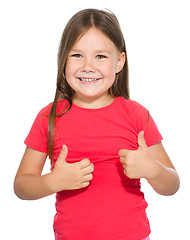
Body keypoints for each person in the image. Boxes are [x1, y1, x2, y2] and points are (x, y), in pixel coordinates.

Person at [14, 8, 180, 240]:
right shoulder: (49, 117)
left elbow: (172, 184)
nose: (88, 66)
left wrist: (153, 170)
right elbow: (21, 186)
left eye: (100, 56)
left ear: (119, 61)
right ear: (63, 59)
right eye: (76, 55)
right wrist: (52, 182)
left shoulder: (137, 115)